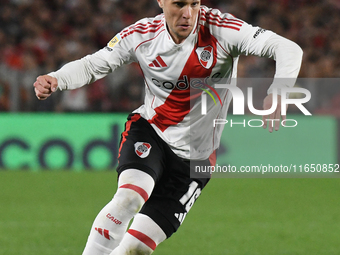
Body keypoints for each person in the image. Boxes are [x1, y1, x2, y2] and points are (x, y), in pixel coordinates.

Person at [33, 0, 303, 254]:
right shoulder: (141, 36)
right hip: (152, 131)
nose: (188, 13)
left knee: (137, 248)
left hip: (196, 159)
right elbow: (94, 65)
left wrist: (280, 88)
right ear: (161, 2)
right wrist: (57, 79)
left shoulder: (221, 29)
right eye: (179, 4)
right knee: (128, 198)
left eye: (194, 4)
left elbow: (288, 48)